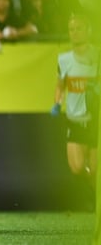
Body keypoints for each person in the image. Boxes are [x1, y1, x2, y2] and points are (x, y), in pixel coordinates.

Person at [51, 13, 99, 189]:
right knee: (77, 167)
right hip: (74, 119)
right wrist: (57, 103)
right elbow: (60, 86)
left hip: (94, 121)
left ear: (88, 30)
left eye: (79, 28)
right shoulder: (64, 60)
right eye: (72, 29)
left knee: (95, 169)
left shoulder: (98, 55)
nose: (75, 32)